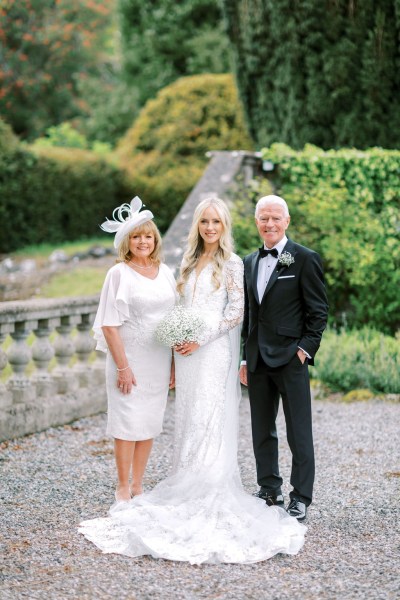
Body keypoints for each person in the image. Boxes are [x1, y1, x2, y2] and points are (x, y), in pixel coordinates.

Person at [79, 196, 305, 564]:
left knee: (208, 417)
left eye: (216, 222)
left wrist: (200, 338)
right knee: (185, 420)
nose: (210, 228)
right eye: (205, 222)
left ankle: (209, 485)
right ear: (197, 226)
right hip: (183, 357)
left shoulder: (232, 264)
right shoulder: (183, 262)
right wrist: (175, 346)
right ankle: (182, 479)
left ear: (225, 225)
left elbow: (236, 313)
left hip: (212, 352)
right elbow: (174, 309)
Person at [239, 194, 329, 522]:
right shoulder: (248, 262)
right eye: (264, 217)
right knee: (262, 428)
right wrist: (244, 359)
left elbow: (318, 312)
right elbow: (249, 315)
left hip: (291, 359)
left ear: (287, 221)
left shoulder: (305, 259)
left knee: (298, 431)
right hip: (257, 360)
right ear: (257, 222)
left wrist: (304, 351)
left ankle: (301, 496)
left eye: (276, 217)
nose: (270, 223)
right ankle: (269, 487)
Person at [92, 196, 176, 502]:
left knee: (150, 421)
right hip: (127, 358)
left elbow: (173, 319)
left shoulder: (165, 272)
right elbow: (109, 325)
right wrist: (123, 367)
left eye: (148, 236)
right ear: (127, 241)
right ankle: (122, 485)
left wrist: (173, 365)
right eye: (137, 236)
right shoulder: (118, 274)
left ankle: (139, 484)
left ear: (156, 239)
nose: (143, 241)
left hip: (158, 358)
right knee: (127, 422)